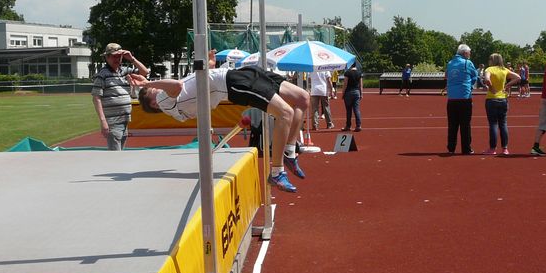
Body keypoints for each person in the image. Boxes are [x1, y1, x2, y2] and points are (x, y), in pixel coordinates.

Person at [130, 50, 310, 193]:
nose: (155, 88)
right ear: (153, 104)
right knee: (285, 113)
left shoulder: (167, 98)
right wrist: (147, 84)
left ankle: (289, 152)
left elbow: (197, 82)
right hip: (232, 83)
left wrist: (210, 64)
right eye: (152, 90)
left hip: (239, 74)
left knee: (303, 98)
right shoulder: (163, 102)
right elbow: (177, 86)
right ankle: (277, 172)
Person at [91, 43, 149, 150]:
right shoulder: (102, 75)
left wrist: (132, 59)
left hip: (124, 120)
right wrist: (103, 121)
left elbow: (145, 72)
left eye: (119, 56)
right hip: (113, 122)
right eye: (114, 56)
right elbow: (96, 98)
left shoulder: (125, 71)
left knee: (120, 153)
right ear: (107, 57)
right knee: (115, 155)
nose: (117, 59)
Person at [482, 53, 521, 155]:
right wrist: (507, 85)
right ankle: (505, 148)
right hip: (503, 99)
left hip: (492, 99)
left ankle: (492, 148)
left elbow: (487, 79)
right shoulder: (504, 70)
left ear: (492, 60)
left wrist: (491, 88)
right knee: (503, 124)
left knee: (493, 124)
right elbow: (518, 77)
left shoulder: (489, 69)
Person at [445, 44, 478, 154]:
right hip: (464, 97)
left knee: (452, 125)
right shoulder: (467, 63)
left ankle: (451, 148)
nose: (470, 54)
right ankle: (466, 148)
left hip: (451, 98)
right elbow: (475, 76)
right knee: (465, 125)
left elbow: (446, 76)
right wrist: (470, 85)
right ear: (465, 53)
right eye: (469, 52)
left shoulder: (450, 63)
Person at [341, 63, 363, 132]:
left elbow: (345, 84)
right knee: (356, 109)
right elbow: (361, 85)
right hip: (356, 92)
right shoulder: (359, 73)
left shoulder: (347, 73)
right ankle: (358, 125)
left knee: (348, 110)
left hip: (348, 92)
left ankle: (348, 126)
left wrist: (343, 93)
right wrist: (361, 94)